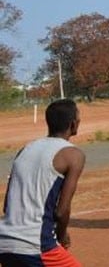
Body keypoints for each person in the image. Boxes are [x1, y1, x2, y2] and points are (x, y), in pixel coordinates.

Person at [0, 99, 86, 266]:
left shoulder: (26, 149)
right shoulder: (73, 155)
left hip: (4, 241)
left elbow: (7, 204)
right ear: (73, 124)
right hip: (35, 244)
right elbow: (62, 211)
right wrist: (61, 237)